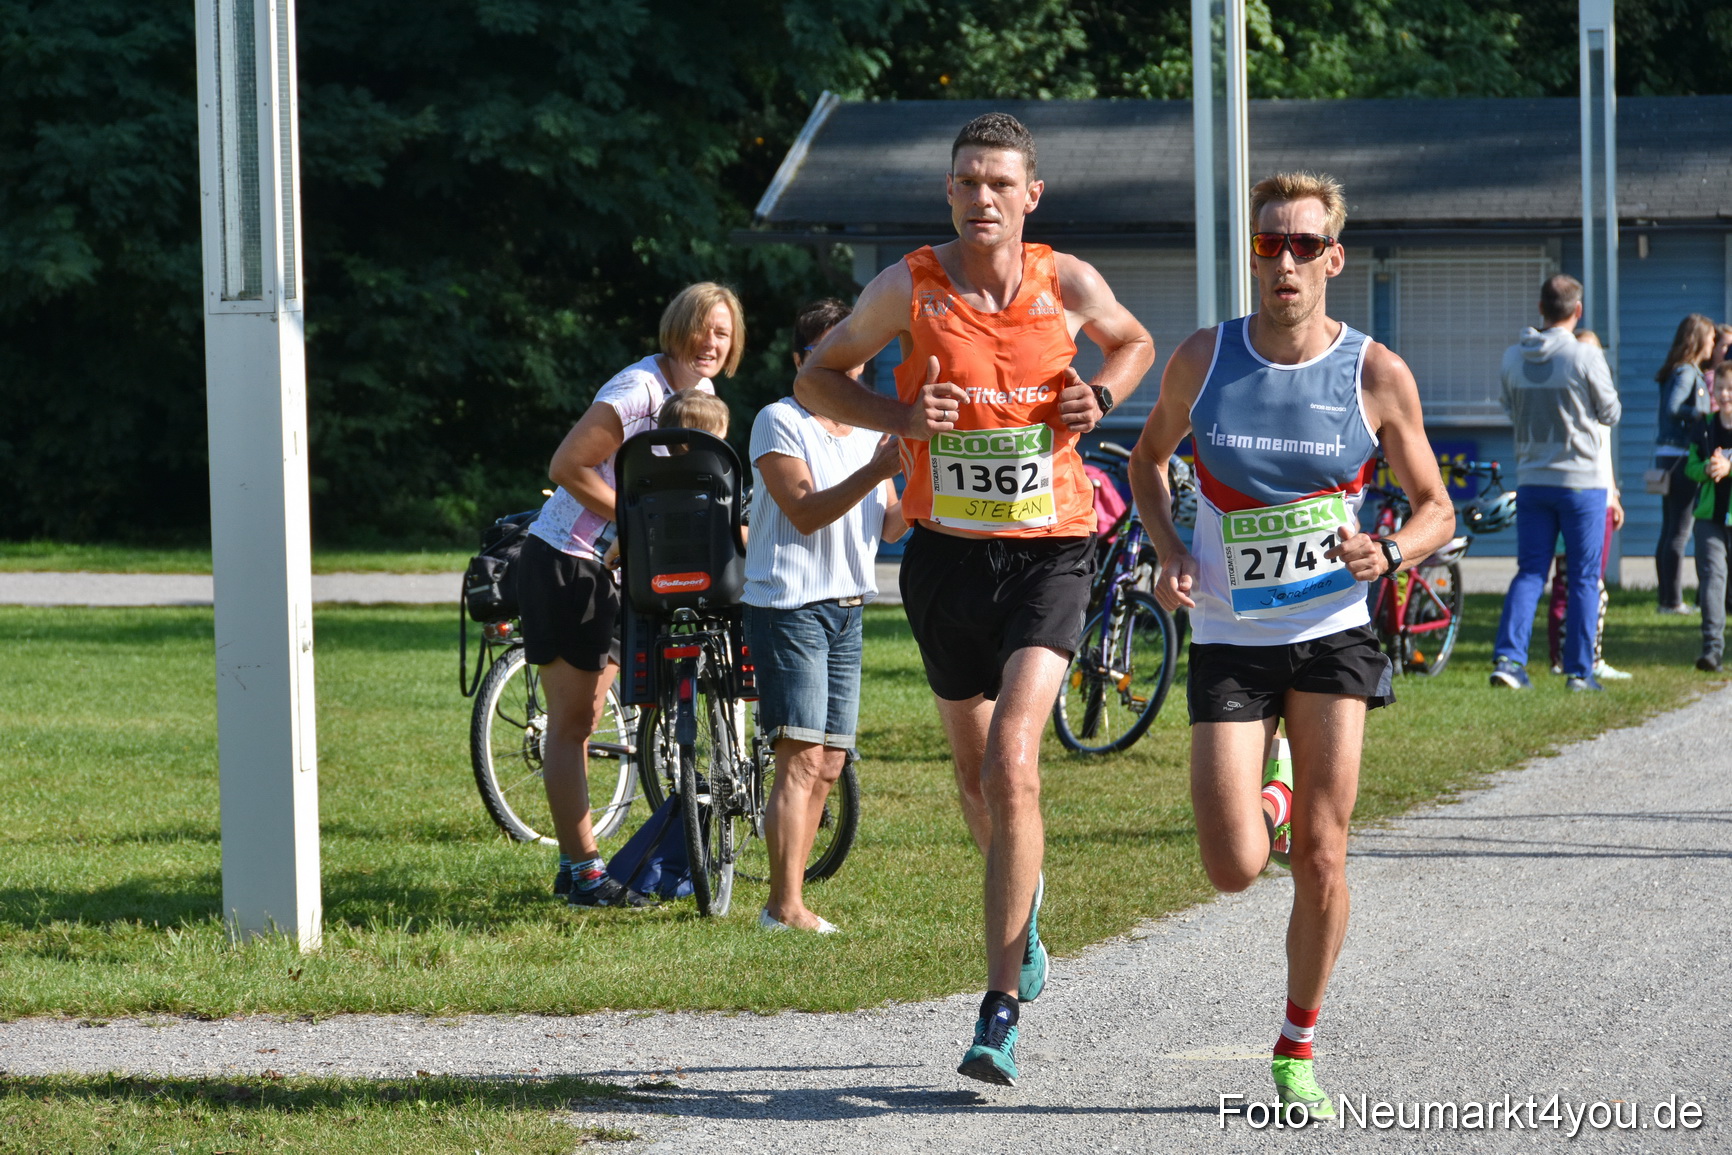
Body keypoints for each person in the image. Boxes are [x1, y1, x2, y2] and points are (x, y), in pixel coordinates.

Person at [793, 112, 1154, 1086]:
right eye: (966, 182)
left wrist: (1102, 395)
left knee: (1013, 758)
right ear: (949, 192)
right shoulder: (908, 285)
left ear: (1030, 196)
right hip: (946, 560)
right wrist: (900, 414)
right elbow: (818, 381)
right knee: (972, 778)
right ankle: (1020, 901)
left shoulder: (1063, 281)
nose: (982, 197)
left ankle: (997, 1007)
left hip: (1051, 552)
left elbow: (1133, 343)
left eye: (1000, 182)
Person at [1129, 171, 1454, 1120]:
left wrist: (1389, 547)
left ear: (1333, 258)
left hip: (1329, 631)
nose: (1285, 261)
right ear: (1255, 254)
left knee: (1321, 850)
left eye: (1304, 244)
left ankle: (1297, 1041)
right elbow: (1150, 459)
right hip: (1231, 630)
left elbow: (1436, 507)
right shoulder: (1204, 357)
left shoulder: (1375, 373)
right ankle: (1270, 784)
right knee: (1233, 865)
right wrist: (1166, 544)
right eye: (1270, 244)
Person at [519, 281, 744, 908]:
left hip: (625, 569)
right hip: (570, 559)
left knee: (593, 715)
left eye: (723, 333)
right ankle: (584, 872)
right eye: (702, 328)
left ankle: (580, 866)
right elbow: (566, 466)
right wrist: (634, 527)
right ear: (677, 329)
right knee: (572, 723)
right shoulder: (639, 391)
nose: (711, 342)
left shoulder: (702, 399)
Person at [747, 298, 907, 935]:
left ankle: (792, 898)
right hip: (790, 603)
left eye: (853, 354)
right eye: (825, 353)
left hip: (847, 604)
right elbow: (806, 511)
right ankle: (781, 906)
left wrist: (926, 477)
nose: (845, 366)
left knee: (832, 762)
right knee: (801, 755)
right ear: (801, 360)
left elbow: (892, 523)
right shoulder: (778, 421)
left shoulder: (870, 429)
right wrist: (876, 470)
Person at [1487, 278, 1621, 691]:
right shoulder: (1584, 356)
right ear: (1577, 311)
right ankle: (1579, 671)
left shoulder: (1512, 357)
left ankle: (1509, 661)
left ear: (1540, 308)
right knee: (1582, 578)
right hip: (1582, 482)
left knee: (1530, 572)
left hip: (1531, 479)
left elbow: (1509, 407)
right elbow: (1611, 412)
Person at [1543, 328, 1629, 680]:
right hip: (1576, 498)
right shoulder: (1569, 403)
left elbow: (1604, 455)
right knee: (1569, 582)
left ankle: (1588, 654)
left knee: (1592, 583)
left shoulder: (1601, 400)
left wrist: (1615, 495)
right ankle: (1567, 657)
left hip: (1603, 497)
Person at [1652, 314, 1717, 614]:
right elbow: (1674, 407)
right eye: (1711, 337)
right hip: (1680, 458)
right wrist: (1701, 415)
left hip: (1667, 456)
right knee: (1679, 532)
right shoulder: (1687, 372)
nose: (1714, 343)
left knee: (1669, 531)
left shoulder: (1677, 370)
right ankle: (1672, 601)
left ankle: (1666, 598)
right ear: (1698, 339)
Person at [1684, 371, 1732, 671]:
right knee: (1712, 579)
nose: (1725, 394)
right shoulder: (1704, 428)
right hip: (1709, 520)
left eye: (1731, 388)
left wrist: (1729, 466)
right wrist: (1709, 468)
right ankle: (1711, 649)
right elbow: (1690, 467)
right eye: (1721, 388)